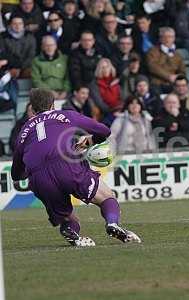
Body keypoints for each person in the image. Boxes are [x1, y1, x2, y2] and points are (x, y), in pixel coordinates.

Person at [11, 88, 142, 246]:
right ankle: (112, 223)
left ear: (31, 108)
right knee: (106, 196)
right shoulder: (66, 115)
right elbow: (104, 131)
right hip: (65, 163)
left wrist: (34, 169)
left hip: (38, 177)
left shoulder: (23, 131)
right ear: (53, 105)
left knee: (68, 218)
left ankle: (72, 233)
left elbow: (16, 174)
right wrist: (89, 141)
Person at [146, 27, 186, 93]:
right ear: (160, 38)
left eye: (170, 37)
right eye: (165, 37)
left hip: (173, 83)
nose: (167, 39)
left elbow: (182, 70)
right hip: (157, 83)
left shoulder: (177, 54)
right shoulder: (153, 51)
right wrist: (168, 76)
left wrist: (177, 77)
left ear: (174, 38)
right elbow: (152, 66)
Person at [31, 35, 71, 100]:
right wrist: (49, 91)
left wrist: (65, 91)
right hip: (44, 93)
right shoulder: (36, 61)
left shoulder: (64, 59)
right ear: (42, 47)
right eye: (47, 45)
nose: (49, 48)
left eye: (52, 45)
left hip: (63, 93)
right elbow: (36, 80)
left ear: (56, 46)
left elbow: (68, 77)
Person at [89, 58, 122, 125]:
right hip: (106, 112)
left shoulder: (117, 81)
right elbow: (98, 101)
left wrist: (120, 109)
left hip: (119, 109)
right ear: (99, 70)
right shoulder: (95, 84)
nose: (105, 69)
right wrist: (111, 111)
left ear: (111, 68)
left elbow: (122, 97)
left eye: (107, 67)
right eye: (102, 67)